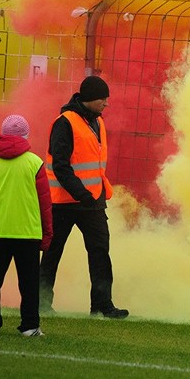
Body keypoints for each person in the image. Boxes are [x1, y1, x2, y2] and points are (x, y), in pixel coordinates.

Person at [39, 75, 129, 319]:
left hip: (92, 201)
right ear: (89, 99)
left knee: (100, 252)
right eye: (102, 99)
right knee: (52, 252)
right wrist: (81, 193)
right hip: (64, 202)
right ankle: (41, 304)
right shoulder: (64, 122)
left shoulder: (97, 122)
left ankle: (102, 306)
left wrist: (92, 195)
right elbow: (60, 165)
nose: (106, 104)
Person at [0, 114, 53, 337]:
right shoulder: (35, 163)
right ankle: (29, 326)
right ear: (26, 136)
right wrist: (47, 235)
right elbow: (45, 203)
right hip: (27, 232)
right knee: (29, 284)